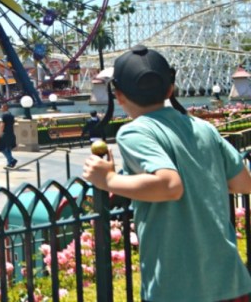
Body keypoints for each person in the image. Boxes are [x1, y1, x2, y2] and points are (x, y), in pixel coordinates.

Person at [82, 45, 251, 302]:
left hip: (176, 286)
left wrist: (109, 180)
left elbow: (169, 186)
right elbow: (243, 183)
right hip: (230, 280)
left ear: (118, 94)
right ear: (170, 88)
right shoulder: (203, 127)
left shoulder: (135, 131)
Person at [0, 103, 17, 168]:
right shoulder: (12, 115)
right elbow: (13, 125)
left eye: (2, 107)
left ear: (5, 107)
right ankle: (10, 163)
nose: (1, 109)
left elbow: (2, 125)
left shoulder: (4, 115)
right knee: (8, 148)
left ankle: (12, 159)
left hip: (5, 134)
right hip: (11, 134)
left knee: (1, 148)